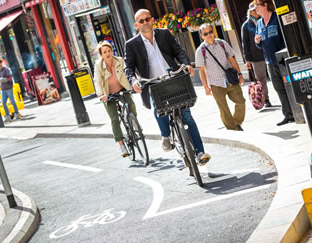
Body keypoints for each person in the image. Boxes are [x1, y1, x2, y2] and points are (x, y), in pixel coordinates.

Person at [124, 9, 211, 166]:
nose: (145, 22)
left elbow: (178, 51)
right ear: (137, 25)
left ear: (152, 20)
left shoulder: (164, 34)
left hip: (175, 80)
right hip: (153, 84)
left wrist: (186, 63)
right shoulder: (131, 45)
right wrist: (133, 81)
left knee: (187, 117)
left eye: (147, 19)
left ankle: (199, 153)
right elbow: (128, 68)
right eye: (141, 21)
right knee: (158, 110)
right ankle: (166, 135)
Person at [253, 0, 294, 126]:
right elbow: (259, 42)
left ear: (265, 5)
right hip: (270, 61)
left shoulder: (277, 18)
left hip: (282, 59)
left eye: (257, 5)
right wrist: (257, 41)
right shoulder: (259, 23)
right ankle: (288, 114)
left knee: (290, 86)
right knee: (279, 88)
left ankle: (298, 110)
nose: (255, 9)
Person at [195, 23, 246, 131]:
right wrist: (206, 87)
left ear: (213, 32)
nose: (209, 35)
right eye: (206, 33)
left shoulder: (222, 43)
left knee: (241, 101)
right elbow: (202, 71)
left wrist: (240, 74)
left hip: (230, 79)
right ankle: (232, 130)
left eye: (210, 32)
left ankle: (236, 123)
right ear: (202, 36)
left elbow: (232, 60)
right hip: (215, 83)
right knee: (224, 109)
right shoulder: (200, 51)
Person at [94, 41, 136, 157]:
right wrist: (101, 94)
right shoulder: (98, 66)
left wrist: (132, 84)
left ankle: (133, 121)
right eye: (104, 52)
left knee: (131, 105)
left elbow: (128, 73)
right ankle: (121, 146)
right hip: (108, 95)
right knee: (114, 119)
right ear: (101, 55)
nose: (108, 54)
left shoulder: (120, 60)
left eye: (109, 51)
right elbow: (97, 81)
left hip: (122, 89)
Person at [241, 3, 271, 106]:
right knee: (261, 78)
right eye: (254, 10)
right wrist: (247, 60)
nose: (256, 11)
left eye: (256, 9)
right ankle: (265, 99)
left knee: (274, 75)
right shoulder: (246, 25)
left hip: (268, 52)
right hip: (256, 56)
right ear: (250, 12)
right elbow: (245, 43)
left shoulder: (264, 20)